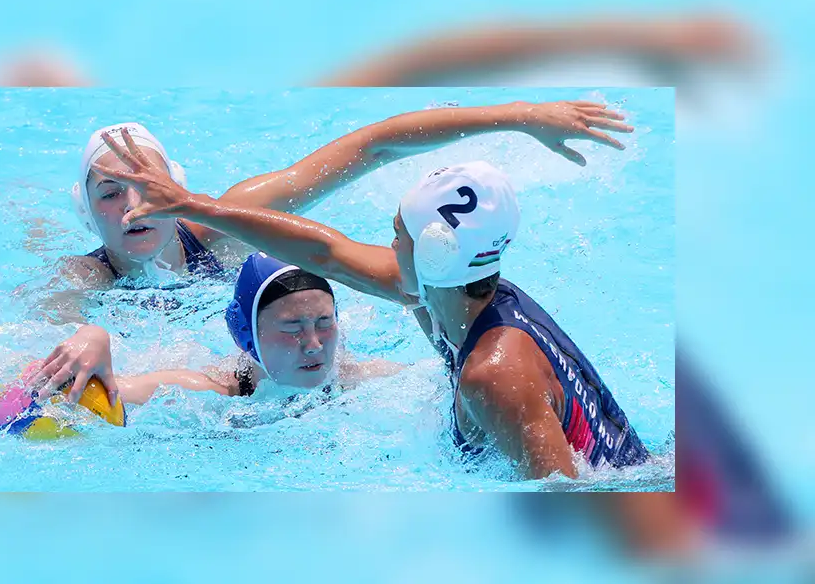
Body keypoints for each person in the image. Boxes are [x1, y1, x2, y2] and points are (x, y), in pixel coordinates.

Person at [87, 103, 648, 479]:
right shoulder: (449, 290)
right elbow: (323, 251)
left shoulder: (494, 373)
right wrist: (193, 206)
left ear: (434, 252)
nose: (388, 239)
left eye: (396, 230)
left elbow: (575, 512)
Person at [37, 100, 633, 323]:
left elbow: (372, 145)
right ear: (88, 212)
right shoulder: (82, 281)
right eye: (109, 191)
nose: (134, 204)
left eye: (147, 181)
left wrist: (520, 114)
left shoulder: (231, 221)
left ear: (178, 186)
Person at [29, 253, 402, 405]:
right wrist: (93, 337)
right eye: (292, 328)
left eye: (325, 323)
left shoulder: (366, 381)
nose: (313, 344)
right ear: (245, 335)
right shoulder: (210, 391)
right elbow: (104, 392)